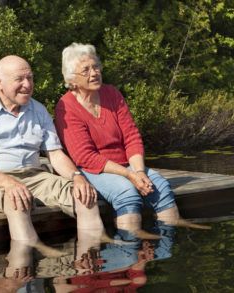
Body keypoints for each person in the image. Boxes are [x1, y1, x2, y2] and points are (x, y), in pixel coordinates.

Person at [54, 43, 207, 236]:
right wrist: (129, 175)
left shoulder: (111, 93)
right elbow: (85, 157)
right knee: (127, 193)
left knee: (159, 186)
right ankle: (131, 247)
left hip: (127, 164)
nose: (94, 73)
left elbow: (131, 136)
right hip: (93, 170)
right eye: (86, 70)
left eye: (96, 67)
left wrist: (139, 171)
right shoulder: (66, 107)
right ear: (72, 79)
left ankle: (169, 238)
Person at [0, 55, 106, 255]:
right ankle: (26, 256)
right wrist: (8, 183)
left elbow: (55, 155)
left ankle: (91, 254)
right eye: (19, 79)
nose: (27, 85)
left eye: (30, 78)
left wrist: (77, 177)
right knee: (15, 198)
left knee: (82, 194)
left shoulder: (38, 109)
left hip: (35, 175)